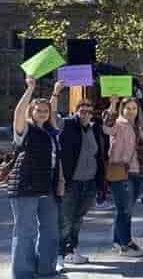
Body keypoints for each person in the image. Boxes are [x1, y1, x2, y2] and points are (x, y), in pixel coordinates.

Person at [8, 77, 63, 279]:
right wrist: (30, 89)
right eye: (38, 110)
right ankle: (23, 274)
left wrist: (55, 92)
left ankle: (46, 270)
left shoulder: (51, 132)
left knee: (50, 230)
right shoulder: (25, 129)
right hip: (25, 186)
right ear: (31, 111)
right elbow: (18, 113)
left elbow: (56, 157)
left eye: (45, 111)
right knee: (26, 232)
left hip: (48, 186)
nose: (42, 113)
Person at [53, 91, 106, 266]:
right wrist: (56, 93)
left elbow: (98, 156)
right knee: (65, 221)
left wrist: (100, 184)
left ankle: (72, 250)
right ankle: (59, 255)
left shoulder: (94, 129)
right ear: (76, 111)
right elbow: (52, 116)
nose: (86, 114)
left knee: (78, 220)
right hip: (71, 183)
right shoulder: (66, 124)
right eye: (82, 111)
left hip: (89, 183)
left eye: (89, 111)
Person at [103, 96, 143, 257]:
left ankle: (119, 242)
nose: (131, 111)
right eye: (128, 108)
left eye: (134, 108)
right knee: (124, 210)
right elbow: (107, 127)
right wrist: (113, 104)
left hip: (139, 172)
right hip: (122, 172)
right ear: (122, 110)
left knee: (126, 210)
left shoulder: (140, 126)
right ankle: (125, 245)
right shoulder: (118, 124)